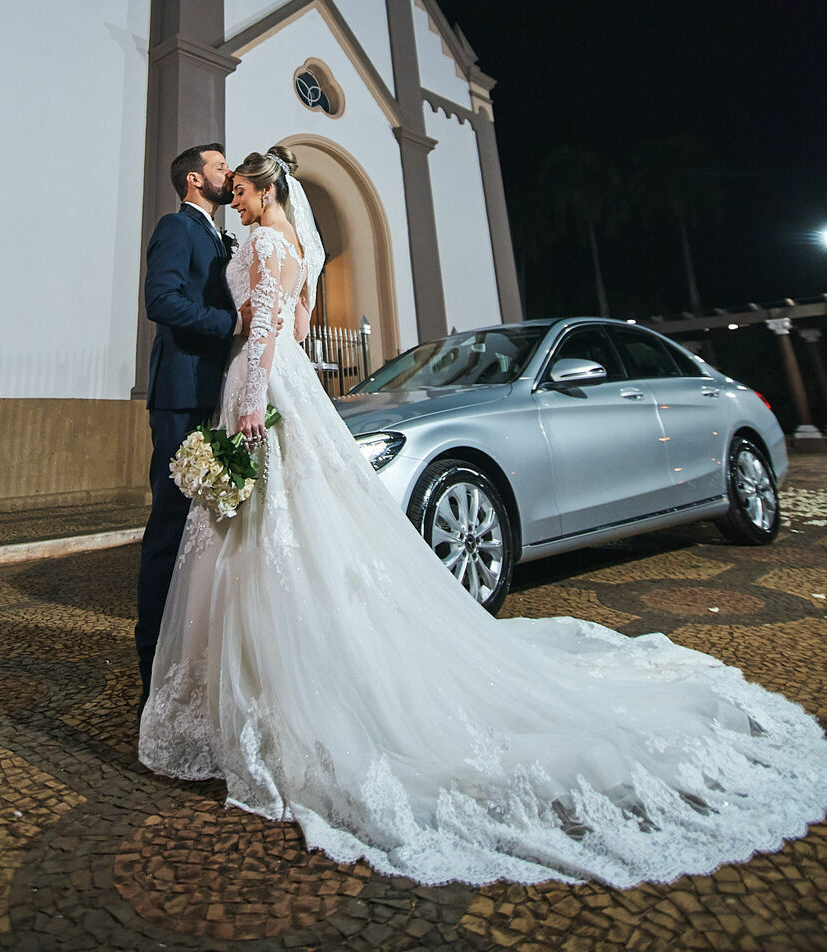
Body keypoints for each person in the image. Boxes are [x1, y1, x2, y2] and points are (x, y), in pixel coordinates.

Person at [139, 145, 827, 888]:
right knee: (258, 536)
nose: (234, 195)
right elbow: (281, 320)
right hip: (255, 382)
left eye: (241, 186)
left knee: (279, 534)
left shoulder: (269, 242)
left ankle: (274, 687)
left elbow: (275, 326)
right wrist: (247, 349)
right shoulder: (255, 238)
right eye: (226, 181)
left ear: (264, 190)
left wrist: (250, 394)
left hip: (261, 384)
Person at [134, 144, 240, 708]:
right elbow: (161, 300)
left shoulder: (220, 236)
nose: (230, 172)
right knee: (171, 525)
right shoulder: (176, 227)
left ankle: (192, 654)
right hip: (180, 396)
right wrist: (230, 323)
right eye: (221, 166)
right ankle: (152, 665)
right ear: (195, 180)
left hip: (213, 394)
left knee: (205, 529)